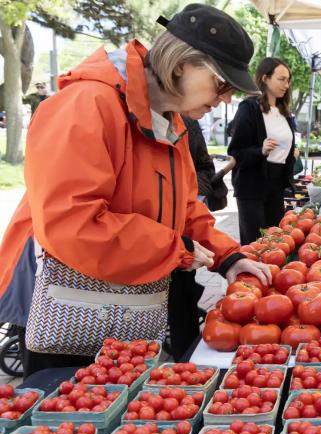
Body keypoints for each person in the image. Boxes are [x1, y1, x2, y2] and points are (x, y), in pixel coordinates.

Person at [0, 3, 271, 376]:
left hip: (125, 313)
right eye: (222, 83)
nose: (226, 98)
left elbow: (185, 207)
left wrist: (228, 257)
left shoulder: (169, 121)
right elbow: (72, 222)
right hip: (70, 313)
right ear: (182, 65)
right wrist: (175, 249)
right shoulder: (86, 104)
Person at [228, 57, 297, 245]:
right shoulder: (249, 108)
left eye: (288, 80)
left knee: (274, 242)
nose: (287, 84)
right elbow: (236, 152)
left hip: (276, 186)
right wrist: (261, 150)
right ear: (265, 78)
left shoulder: (284, 111)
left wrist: (292, 151)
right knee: (255, 244)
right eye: (282, 79)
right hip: (252, 186)